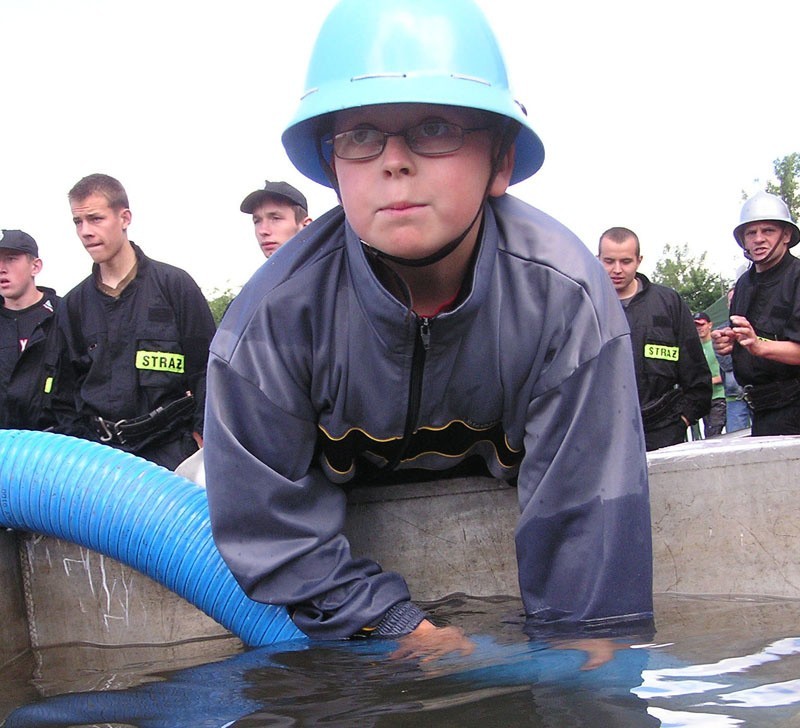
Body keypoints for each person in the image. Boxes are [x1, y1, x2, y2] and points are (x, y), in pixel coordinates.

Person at [204, 0, 653, 653]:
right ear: (332, 167)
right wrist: (393, 626)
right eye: (360, 136)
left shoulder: (566, 302)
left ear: (500, 160)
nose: (394, 162)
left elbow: (590, 532)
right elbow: (266, 527)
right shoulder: (268, 327)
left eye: (435, 127)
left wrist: (586, 668)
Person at [52, 173, 216, 470]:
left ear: (124, 217)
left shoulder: (174, 286)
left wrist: (202, 438)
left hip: (173, 452)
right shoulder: (73, 305)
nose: (85, 231)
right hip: (100, 458)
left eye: (95, 218)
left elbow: (207, 369)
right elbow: (64, 395)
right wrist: (79, 452)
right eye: (78, 222)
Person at [597, 227, 711, 450]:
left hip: (663, 432)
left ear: (639, 261)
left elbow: (697, 375)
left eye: (626, 261)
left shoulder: (668, 303)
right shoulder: (584, 305)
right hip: (603, 435)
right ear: (597, 259)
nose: (617, 270)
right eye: (609, 261)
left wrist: (682, 421)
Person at [712, 191, 800, 435]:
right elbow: (747, 340)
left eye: (768, 231)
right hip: (759, 410)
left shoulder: (797, 277)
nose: (759, 239)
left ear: (787, 235)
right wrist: (729, 343)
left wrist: (759, 346)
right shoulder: (744, 284)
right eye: (751, 232)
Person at [0, 229, 60, 430]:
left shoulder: (65, 315)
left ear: (35, 266)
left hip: (54, 446)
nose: (1, 268)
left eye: (11, 259)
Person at [240, 180, 311, 258]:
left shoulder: (323, 267)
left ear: (305, 226)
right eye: (257, 221)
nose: (262, 231)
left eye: (276, 218)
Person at [716, 288, 750, 433]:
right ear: (728, 305)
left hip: (761, 392)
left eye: (737, 298)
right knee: (736, 441)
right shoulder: (721, 331)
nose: (734, 302)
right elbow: (726, 364)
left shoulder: (757, 326)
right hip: (735, 396)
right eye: (731, 300)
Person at [692, 311, 725, 437]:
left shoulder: (718, 343)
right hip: (705, 399)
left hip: (721, 397)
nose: (699, 328)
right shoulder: (695, 348)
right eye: (696, 326)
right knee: (708, 435)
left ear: (710, 325)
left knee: (714, 434)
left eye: (702, 324)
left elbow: (729, 373)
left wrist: (710, 381)